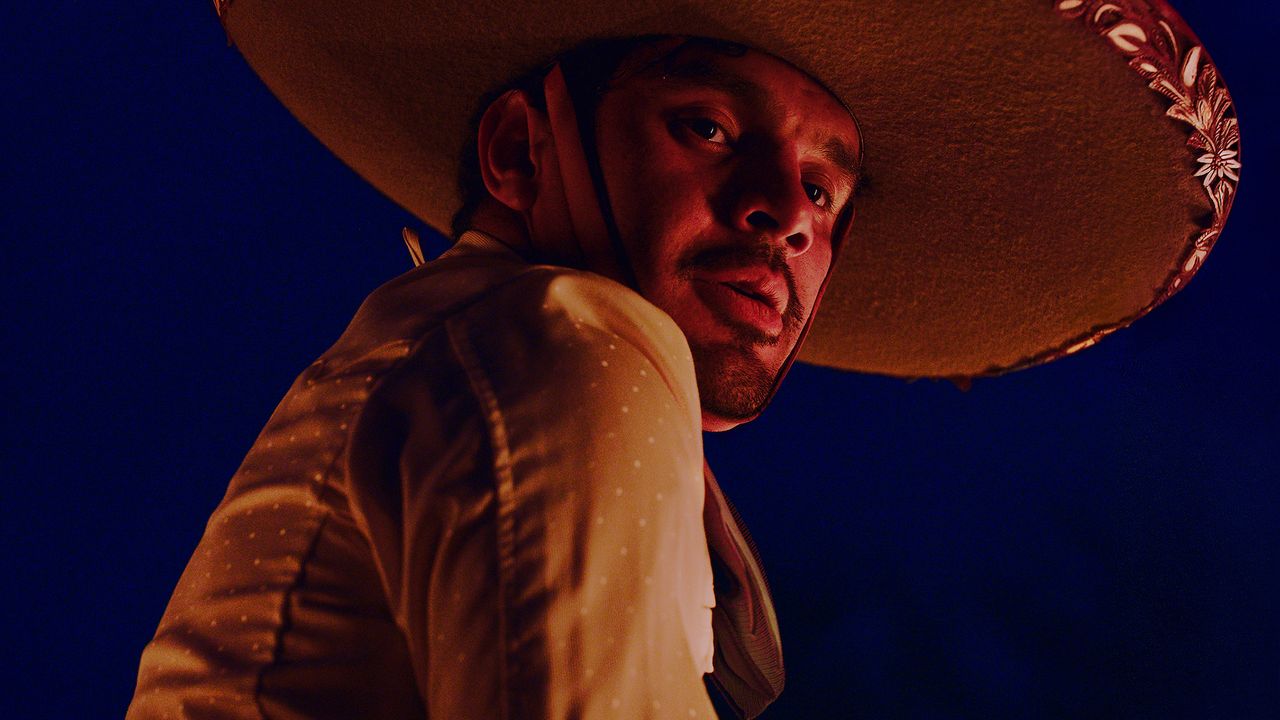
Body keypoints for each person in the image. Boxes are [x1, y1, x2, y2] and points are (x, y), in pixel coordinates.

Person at [128, 2, 1238, 718]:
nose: (783, 214)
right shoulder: (568, 338)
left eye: (822, 190)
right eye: (707, 127)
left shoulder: (451, 348)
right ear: (520, 150)